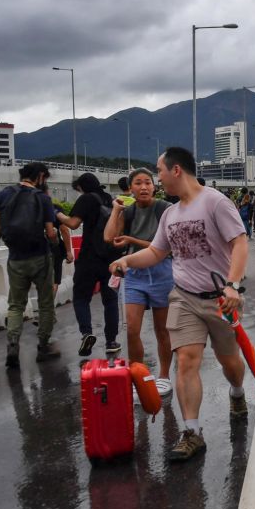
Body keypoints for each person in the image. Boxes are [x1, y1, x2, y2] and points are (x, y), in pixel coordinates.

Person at [109, 147, 250, 462]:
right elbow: (157, 252)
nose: (156, 178)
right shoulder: (170, 214)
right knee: (186, 360)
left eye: (158, 171)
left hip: (220, 299)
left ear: (175, 170)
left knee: (230, 364)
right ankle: (191, 431)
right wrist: (127, 261)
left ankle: (237, 393)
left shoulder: (215, 202)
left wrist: (232, 285)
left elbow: (239, 243)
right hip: (183, 297)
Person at [103, 167, 174, 398]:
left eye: (148, 183)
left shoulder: (165, 209)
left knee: (162, 330)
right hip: (134, 275)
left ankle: (163, 376)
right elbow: (108, 237)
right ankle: (139, 377)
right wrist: (116, 210)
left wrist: (132, 240)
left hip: (163, 272)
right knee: (132, 330)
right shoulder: (129, 211)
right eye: (138, 183)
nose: (143, 187)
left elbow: (165, 247)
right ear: (130, 188)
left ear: (154, 186)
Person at [0, 162, 61, 367]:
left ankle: (13, 344)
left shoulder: (4, 194)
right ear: (40, 176)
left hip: (15, 258)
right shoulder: (43, 199)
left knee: (15, 305)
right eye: (45, 178)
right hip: (40, 256)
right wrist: (55, 241)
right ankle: (43, 346)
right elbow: (50, 233)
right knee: (45, 303)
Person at [58, 172, 121, 356]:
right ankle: (111, 341)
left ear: (82, 187)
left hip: (88, 257)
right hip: (109, 257)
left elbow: (73, 223)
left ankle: (86, 333)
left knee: (81, 298)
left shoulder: (86, 199)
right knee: (110, 300)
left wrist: (57, 213)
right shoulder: (108, 199)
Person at [38, 181, 73, 310]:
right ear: (47, 193)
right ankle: (47, 310)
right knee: (54, 280)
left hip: (33, 250)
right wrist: (69, 251)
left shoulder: (28, 208)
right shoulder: (55, 208)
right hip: (53, 248)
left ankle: (44, 310)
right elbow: (64, 229)